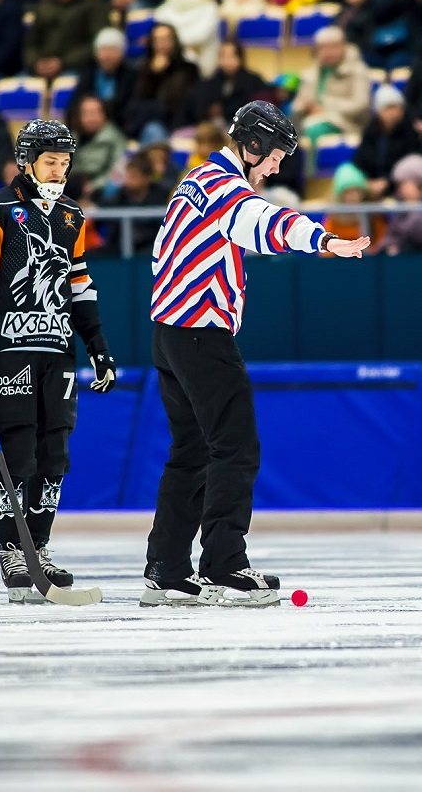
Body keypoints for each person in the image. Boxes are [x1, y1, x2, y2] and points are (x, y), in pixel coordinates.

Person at [143, 101, 370, 607]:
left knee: (192, 452)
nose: (275, 168)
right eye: (273, 157)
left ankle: (168, 569)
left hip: (171, 334)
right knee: (235, 446)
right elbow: (265, 225)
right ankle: (224, 566)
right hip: (200, 333)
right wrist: (327, 242)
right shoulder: (221, 186)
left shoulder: (197, 180)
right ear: (250, 146)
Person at [0, 119, 116, 603]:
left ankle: (38, 547)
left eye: (66, 162)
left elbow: (80, 284)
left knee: (54, 454)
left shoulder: (71, 214)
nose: (60, 170)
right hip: (10, 351)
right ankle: (12, 550)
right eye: (51, 161)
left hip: (57, 351)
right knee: (16, 451)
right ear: (26, 161)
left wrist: (98, 344)